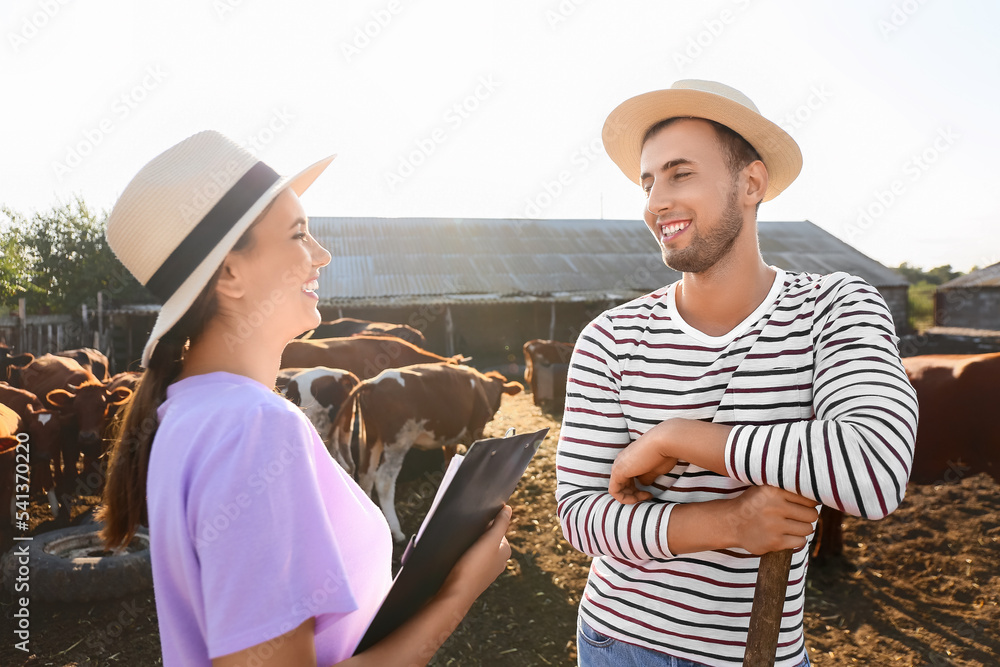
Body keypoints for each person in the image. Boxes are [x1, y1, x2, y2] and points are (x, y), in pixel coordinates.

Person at [98, 130, 512, 666]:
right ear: (229, 272)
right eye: (298, 235)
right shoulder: (253, 428)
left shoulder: (185, 413)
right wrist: (457, 594)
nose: (322, 254)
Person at [555, 80, 917, 666]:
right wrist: (730, 522)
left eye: (680, 174)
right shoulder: (611, 336)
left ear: (750, 183)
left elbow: (873, 471)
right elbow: (579, 516)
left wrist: (680, 437)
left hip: (761, 651)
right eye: (648, 183)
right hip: (618, 643)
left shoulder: (835, 308)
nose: (655, 202)